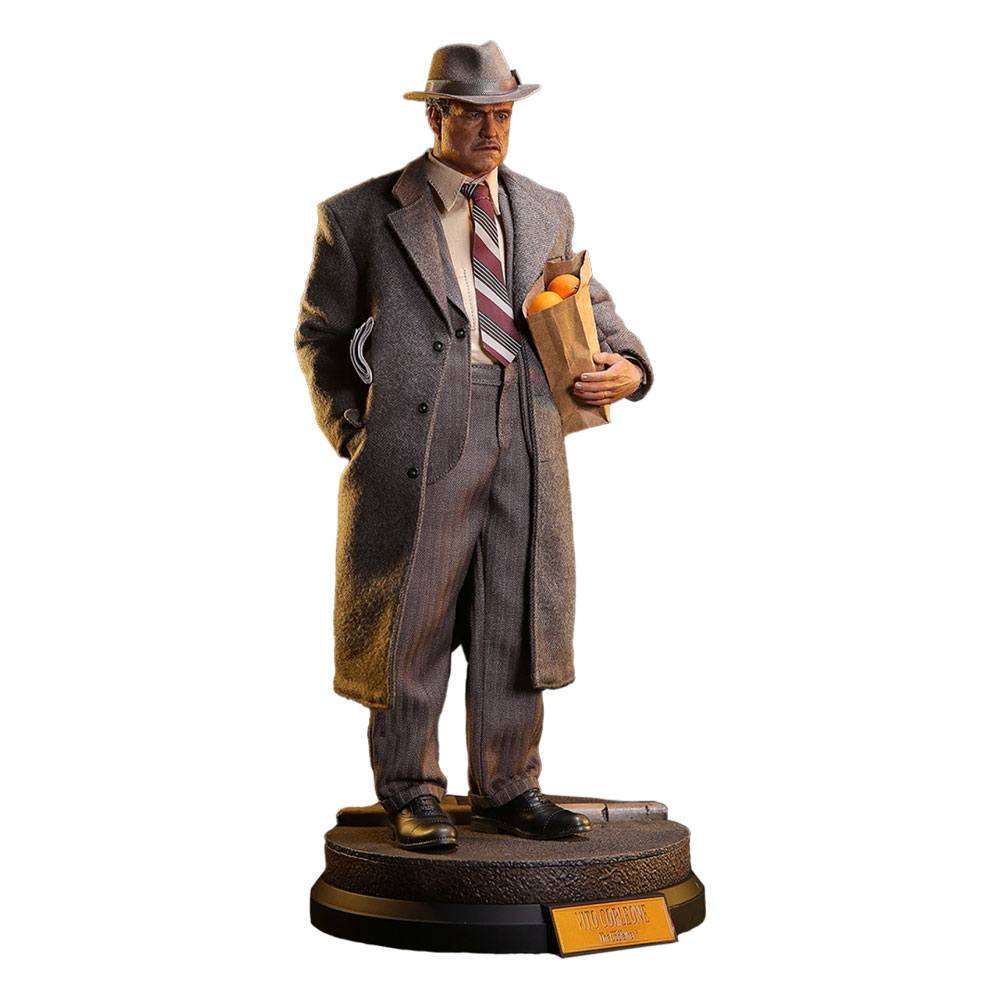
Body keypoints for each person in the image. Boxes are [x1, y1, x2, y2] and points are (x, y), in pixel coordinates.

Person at [295, 41, 653, 850]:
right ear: (436, 117)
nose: (492, 131)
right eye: (474, 114)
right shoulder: (359, 214)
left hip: (526, 425)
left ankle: (509, 786)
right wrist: (354, 429)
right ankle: (412, 790)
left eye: (503, 115)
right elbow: (321, 334)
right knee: (411, 613)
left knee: (515, 610)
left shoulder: (544, 207)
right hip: (419, 434)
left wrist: (629, 365)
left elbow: (588, 300)